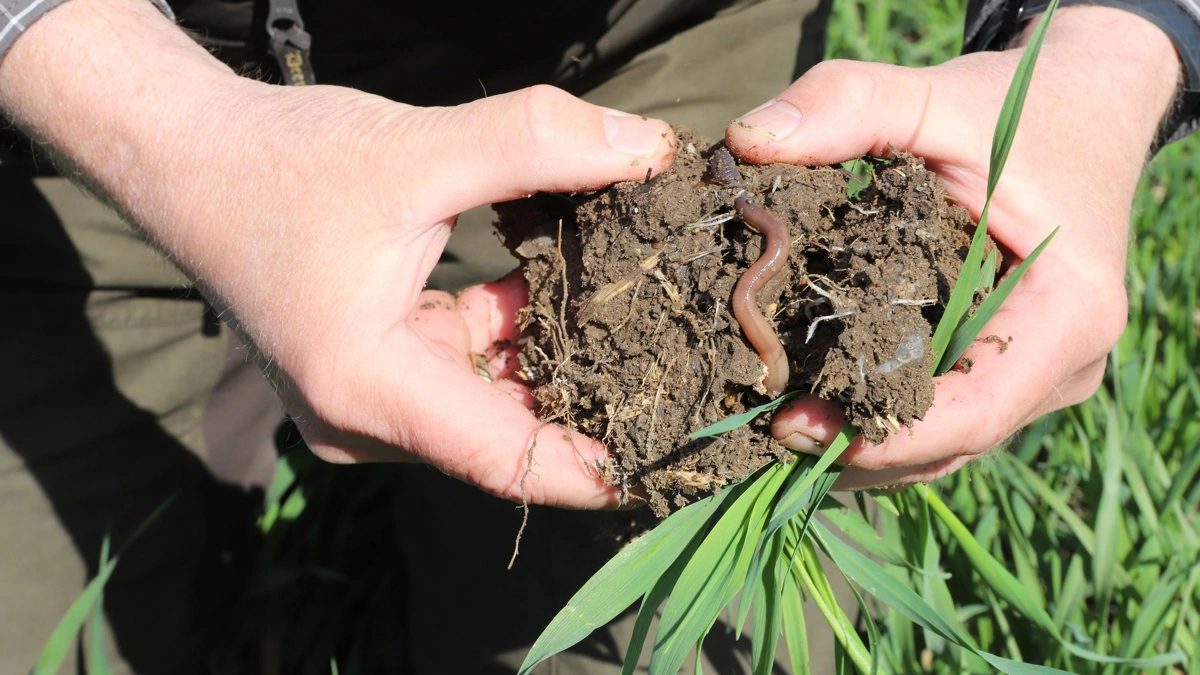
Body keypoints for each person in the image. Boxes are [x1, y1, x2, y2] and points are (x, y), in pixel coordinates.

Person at [0, 0, 1193, 672]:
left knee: (687, 646)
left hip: (639, 75)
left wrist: (1109, 46)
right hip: (80, 107)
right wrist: (142, 108)